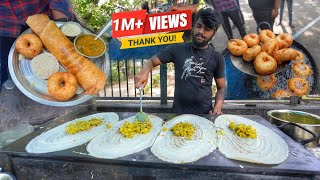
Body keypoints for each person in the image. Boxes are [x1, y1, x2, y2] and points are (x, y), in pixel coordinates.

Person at [135, 8, 226, 115]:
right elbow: (152, 61)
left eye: (207, 29)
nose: (201, 31)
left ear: (213, 33)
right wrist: (144, 71)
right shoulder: (177, 49)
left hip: (205, 114)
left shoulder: (217, 58)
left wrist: (217, 107)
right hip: (177, 114)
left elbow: (221, 87)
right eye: (199, 26)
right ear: (194, 26)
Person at [0, 0, 74, 92]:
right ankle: (8, 75)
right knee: (3, 64)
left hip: (41, 18)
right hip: (4, 27)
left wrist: (60, 24)